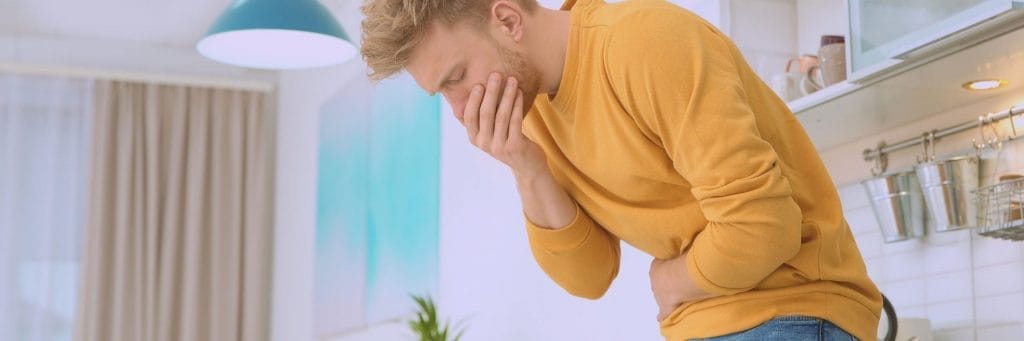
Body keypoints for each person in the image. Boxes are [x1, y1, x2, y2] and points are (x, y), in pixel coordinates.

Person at [360, 0, 882, 339]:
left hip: (791, 310)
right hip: (701, 324)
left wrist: (674, 279)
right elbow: (589, 278)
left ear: (508, 20)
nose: (459, 111)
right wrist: (526, 167)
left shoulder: (644, 43)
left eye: (456, 77)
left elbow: (764, 225)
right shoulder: (533, 111)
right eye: (443, 93)